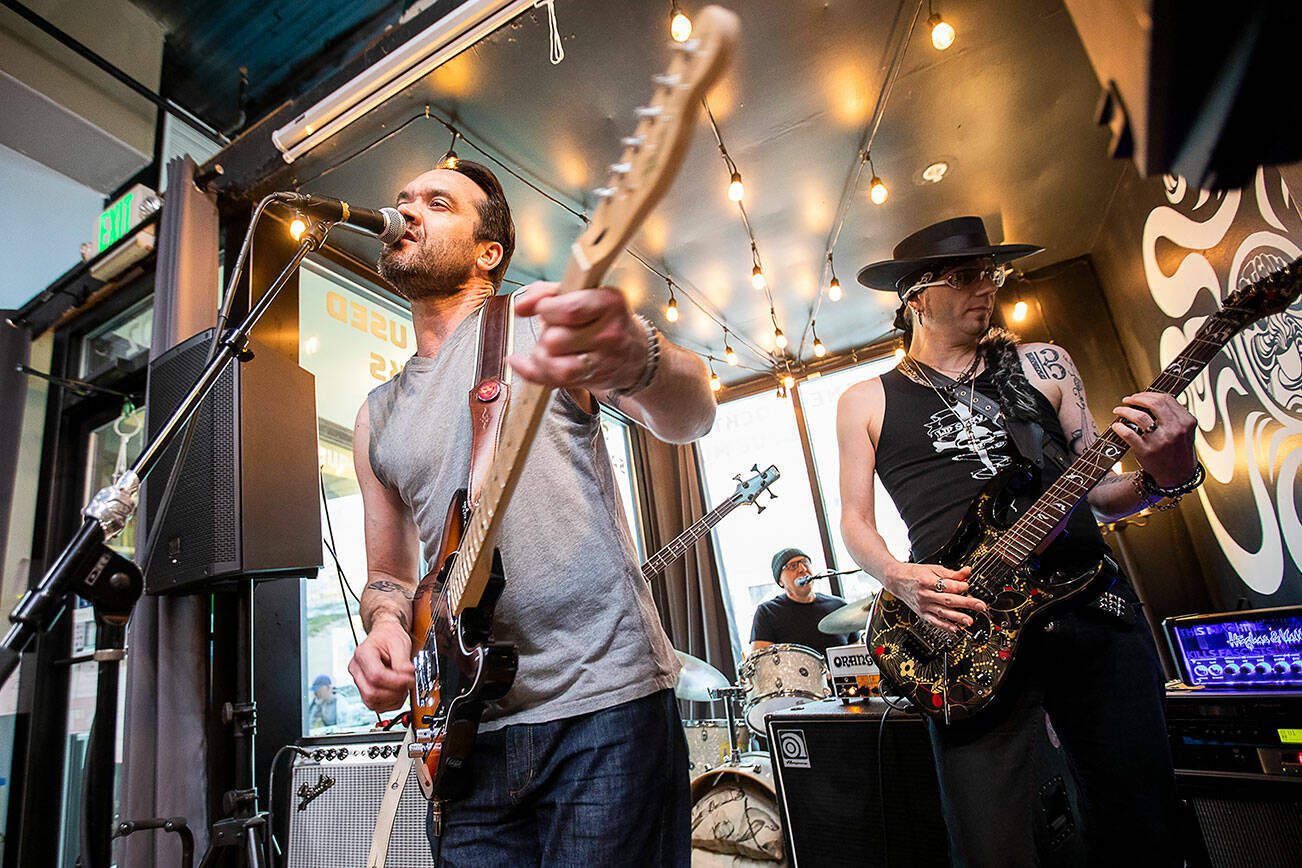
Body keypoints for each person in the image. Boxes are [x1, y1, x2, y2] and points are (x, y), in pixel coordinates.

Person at [345, 159, 716, 867]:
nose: (408, 209)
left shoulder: (533, 328)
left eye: (438, 202)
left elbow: (693, 414)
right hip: (465, 734)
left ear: (489, 254)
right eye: (403, 199)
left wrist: (639, 354)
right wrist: (384, 627)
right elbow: (389, 575)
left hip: (603, 707)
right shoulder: (376, 416)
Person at [837, 217, 1197, 865]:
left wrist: (1164, 478)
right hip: (967, 628)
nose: (987, 287)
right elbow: (855, 523)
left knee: (1139, 824)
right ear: (917, 296)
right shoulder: (865, 399)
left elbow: (1101, 493)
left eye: (992, 272)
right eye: (967, 276)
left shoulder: (1044, 363)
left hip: (1089, 609)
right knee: (989, 844)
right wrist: (896, 576)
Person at [750, 547, 857, 656]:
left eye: (805, 562)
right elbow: (761, 663)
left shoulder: (839, 606)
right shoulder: (767, 612)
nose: (802, 569)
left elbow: (858, 652)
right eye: (792, 566)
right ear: (780, 581)